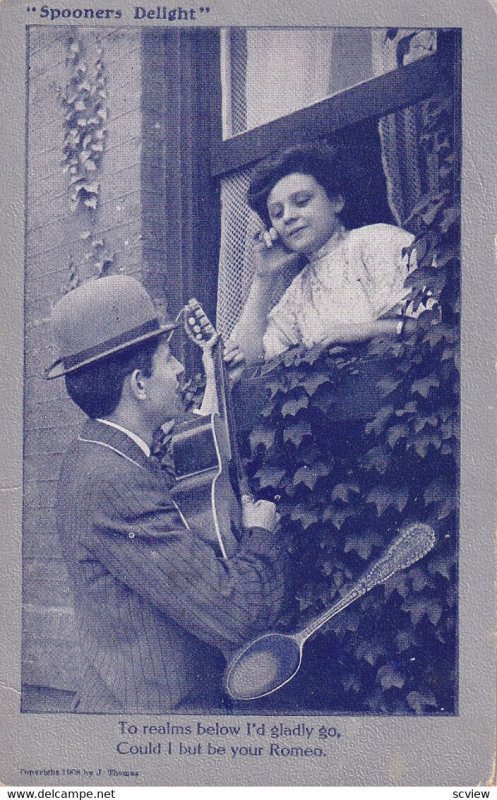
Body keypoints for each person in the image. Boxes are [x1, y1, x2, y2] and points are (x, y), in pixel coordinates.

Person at [45, 275, 289, 713]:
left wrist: (214, 371)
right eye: (170, 358)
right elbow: (236, 614)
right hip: (153, 729)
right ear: (139, 383)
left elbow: (188, 454)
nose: (181, 369)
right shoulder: (113, 482)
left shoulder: (104, 452)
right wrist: (261, 535)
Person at [231, 143, 417, 363]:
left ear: (336, 201)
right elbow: (249, 359)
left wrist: (352, 332)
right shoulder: (299, 292)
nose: (288, 217)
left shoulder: (379, 242)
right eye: (277, 213)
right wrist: (264, 276)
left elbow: (429, 324)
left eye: (302, 202)